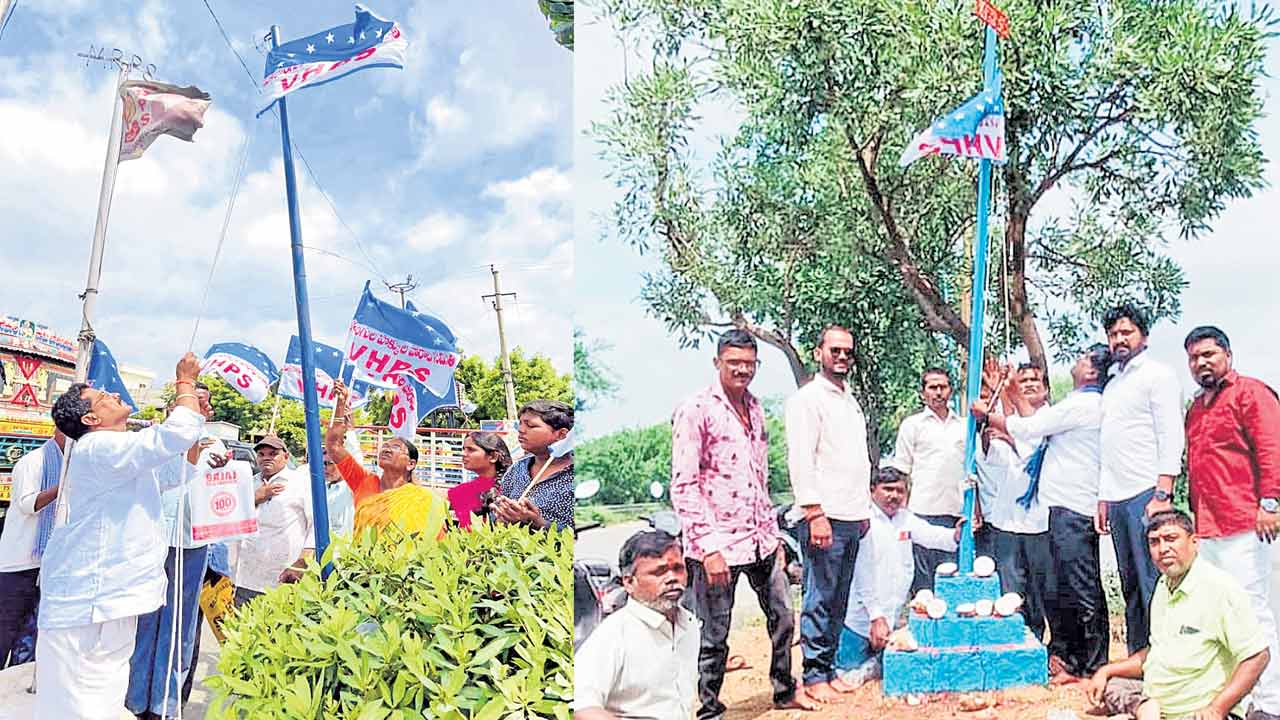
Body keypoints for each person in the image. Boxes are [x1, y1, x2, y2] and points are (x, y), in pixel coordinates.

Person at [35, 354, 205, 719]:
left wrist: (194, 413)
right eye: (102, 397)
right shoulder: (99, 448)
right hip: (87, 603)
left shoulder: (114, 456)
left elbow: (176, 473)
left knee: (100, 695)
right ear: (91, 420)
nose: (113, 393)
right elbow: (176, 433)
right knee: (76, 703)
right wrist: (185, 384)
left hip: (108, 598)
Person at [671, 329, 814, 717]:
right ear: (717, 362)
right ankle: (709, 710)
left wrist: (776, 538)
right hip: (717, 544)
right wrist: (708, 547)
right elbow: (683, 485)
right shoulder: (696, 409)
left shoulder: (755, 407)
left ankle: (785, 691)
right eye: (733, 362)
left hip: (761, 540)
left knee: (784, 618)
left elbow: (758, 480)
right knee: (714, 634)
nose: (741, 370)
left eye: (749, 364)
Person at [985, 345, 1112, 683]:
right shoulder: (1077, 404)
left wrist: (986, 414)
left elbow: (1029, 428)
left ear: (1092, 371)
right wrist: (1009, 392)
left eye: (1083, 357)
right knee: (1067, 590)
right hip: (1060, 511)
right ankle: (1073, 661)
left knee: (1082, 591)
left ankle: (1094, 666)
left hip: (1074, 509)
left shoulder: (1083, 404)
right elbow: (1034, 423)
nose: (1077, 360)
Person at [1087, 510, 1270, 720]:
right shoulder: (1163, 586)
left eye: (1171, 539)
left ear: (1194, 542)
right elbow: (1156, 651)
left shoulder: (1218, 589)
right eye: (1154, 542)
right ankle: (1143, 708)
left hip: (1196, 713)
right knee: (1114, 684)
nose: (1163, 549)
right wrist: (1106, 671)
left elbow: (1257, 656)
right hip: (1158, 702)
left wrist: (1217, 708)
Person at [1183, 325, 1280, 719]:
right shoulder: (1196, 408)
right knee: (1221, 617)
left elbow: (1272, 447)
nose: (1201, 362)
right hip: (1209, 530)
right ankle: (1236, 697)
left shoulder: (1250, 393)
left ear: (1227, 355)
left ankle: (1270, 703)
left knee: (1256, 613)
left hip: (1248, 525)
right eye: (1193, 357)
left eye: (1208, 354)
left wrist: (1270, 504)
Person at [127, 384, 228, 720]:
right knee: (143, 622)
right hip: (152, 542)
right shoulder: (152, 441)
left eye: (204, 404)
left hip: (191, 545)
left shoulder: (216, 446)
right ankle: (135, 699)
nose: (200, 408)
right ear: (175, 407)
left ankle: (165, 704)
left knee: (178, 628)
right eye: (193, 402)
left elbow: (226, 497)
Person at [785, 325, 872, 701]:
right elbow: (801, 459)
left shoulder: (849, 400)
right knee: (819, 598)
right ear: (818, 352)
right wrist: (814, 512)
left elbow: (854, 461)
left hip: (852, 514)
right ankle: (814, 674)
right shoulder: (807, 400)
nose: (841, 357)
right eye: (834, 350)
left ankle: (830, 666)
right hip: (825, 516)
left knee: (840, 598)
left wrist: (863, 510)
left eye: (847, 352)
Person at [1098, 303, 1184, 654]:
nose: (1119, 339)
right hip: (1117, 498)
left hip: (1146, 494)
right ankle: (1138, 661)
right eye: (1114, 334)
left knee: (1155, 582)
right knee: (1129, 582)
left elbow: (1171, 434)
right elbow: (1108, 444)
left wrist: (1163, 492)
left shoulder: (1157, 375)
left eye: (1126, 332)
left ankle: (1165, 661)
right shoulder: (1114, 383)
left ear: (1143, 336)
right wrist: (1103, 497)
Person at [837, 466, 962, 684]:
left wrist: (957, 535)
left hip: (889, 623)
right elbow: (861, 576)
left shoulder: (906, 519)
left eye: (900, 491)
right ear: (872, 490)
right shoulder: (863, 521)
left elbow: (934, 536)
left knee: (886, 676)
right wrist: (875, 618)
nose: (894, 496)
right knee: (848, 680)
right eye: (888, 489)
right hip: (859, 623)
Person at [573, 531, 700, 719]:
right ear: (629, 583)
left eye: (678, 568)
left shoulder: (689, 624)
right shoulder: (613, 636)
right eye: (658, 572)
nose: (672, 578)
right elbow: (581, 707)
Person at [971, 364, 1051, 642]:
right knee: (1010, 589)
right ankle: (1013, 642)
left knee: (1040, 590)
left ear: (1046, 389)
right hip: (1006, 521)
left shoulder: (1051, 419)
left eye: (1034, 380)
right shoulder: (1011, 419)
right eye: (1022, 380)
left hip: (1040, 522)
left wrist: (1011, 438)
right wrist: (997, 392)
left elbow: (1035, 457)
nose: (1028, 384)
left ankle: (1038, 643)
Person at [326, 380, 450, 539]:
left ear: (411, 464)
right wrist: (340, 404)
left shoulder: (424, 498)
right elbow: (333, 445)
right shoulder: (363, 482)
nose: (386, 448)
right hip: (365, 563)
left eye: (396, 447)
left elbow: (437, 540)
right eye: (384, 445)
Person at [892, 367, 967, 594]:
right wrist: (900, 513)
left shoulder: (964, 426)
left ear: (950, 390)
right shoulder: (912, 425)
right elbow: (901, 472)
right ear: (922, 392)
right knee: (925, 588)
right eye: (932, 387)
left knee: (953, 584)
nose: (938, 392)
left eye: (942, 387)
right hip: (922, 513)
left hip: (957, 515)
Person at [0, 430, 64, 668]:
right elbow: (28, 504)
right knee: (4, 632)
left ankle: (16, 695)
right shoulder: (33, 462)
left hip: (48, 565)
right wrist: (63, 486)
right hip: (18, 563)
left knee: (30, 639)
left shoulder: (75, 464)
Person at [230, 436, 314, 608]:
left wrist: (302, 561)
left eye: (273, 453)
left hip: (283, 577)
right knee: (244, 632)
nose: (266, 457)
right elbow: (231, 521)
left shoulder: (300, 483)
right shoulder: (248, 483)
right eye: (261, 454)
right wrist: (255, 498)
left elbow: (316, 526)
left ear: (286, 456)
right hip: (246, 577)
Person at [492, 400, 574, 531]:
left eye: (530, 426)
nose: (521, 430)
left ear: (561, 434)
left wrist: (538, 523)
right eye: (520, 424)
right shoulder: (517, 469)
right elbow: (498, 510)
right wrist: (500, 516)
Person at [449, 431, 512, 530]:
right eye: (463, 449)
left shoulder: (514, 488)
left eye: (471, 450)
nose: (463, 454)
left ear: (493, 457)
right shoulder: (459, 492)